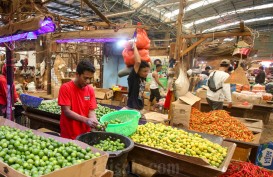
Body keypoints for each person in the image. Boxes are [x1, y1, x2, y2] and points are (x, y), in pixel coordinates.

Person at [58, 60, 98, 139]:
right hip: (69, 134)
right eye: (85, 78)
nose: (88, 81)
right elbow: (66, 111)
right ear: (77, 74)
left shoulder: (90, 90)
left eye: (90, 78)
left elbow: (91, 110)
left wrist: (94, 120)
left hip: (85, 134)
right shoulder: (66, 88)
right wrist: (86, 120)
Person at [127, 42, 150, 110]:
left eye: (147, 71)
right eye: (144, 71)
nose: (146, 73)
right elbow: (138, 62)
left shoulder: (143, 78)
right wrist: (134, 46)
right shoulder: (133, 77)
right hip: (132, 107)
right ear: (138, 71)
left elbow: (148, 63)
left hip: (139, 106)